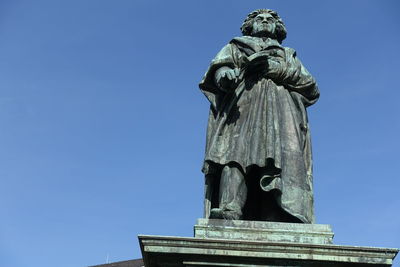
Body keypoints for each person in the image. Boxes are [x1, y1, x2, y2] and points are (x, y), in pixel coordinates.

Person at [199, 9, 319, 223]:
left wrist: (274, 68)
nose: (264, 21)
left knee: (278, 161)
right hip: (242, 108)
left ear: (278, 27)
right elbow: (218, 70)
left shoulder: (288, 54)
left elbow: (310, 85)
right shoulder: (235, 47)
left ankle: (277, 211)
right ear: (249, 25)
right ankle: (230, 206)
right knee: (234, 154)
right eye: (259, 19)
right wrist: (224, 76)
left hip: (281, 115)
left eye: (270, 20)